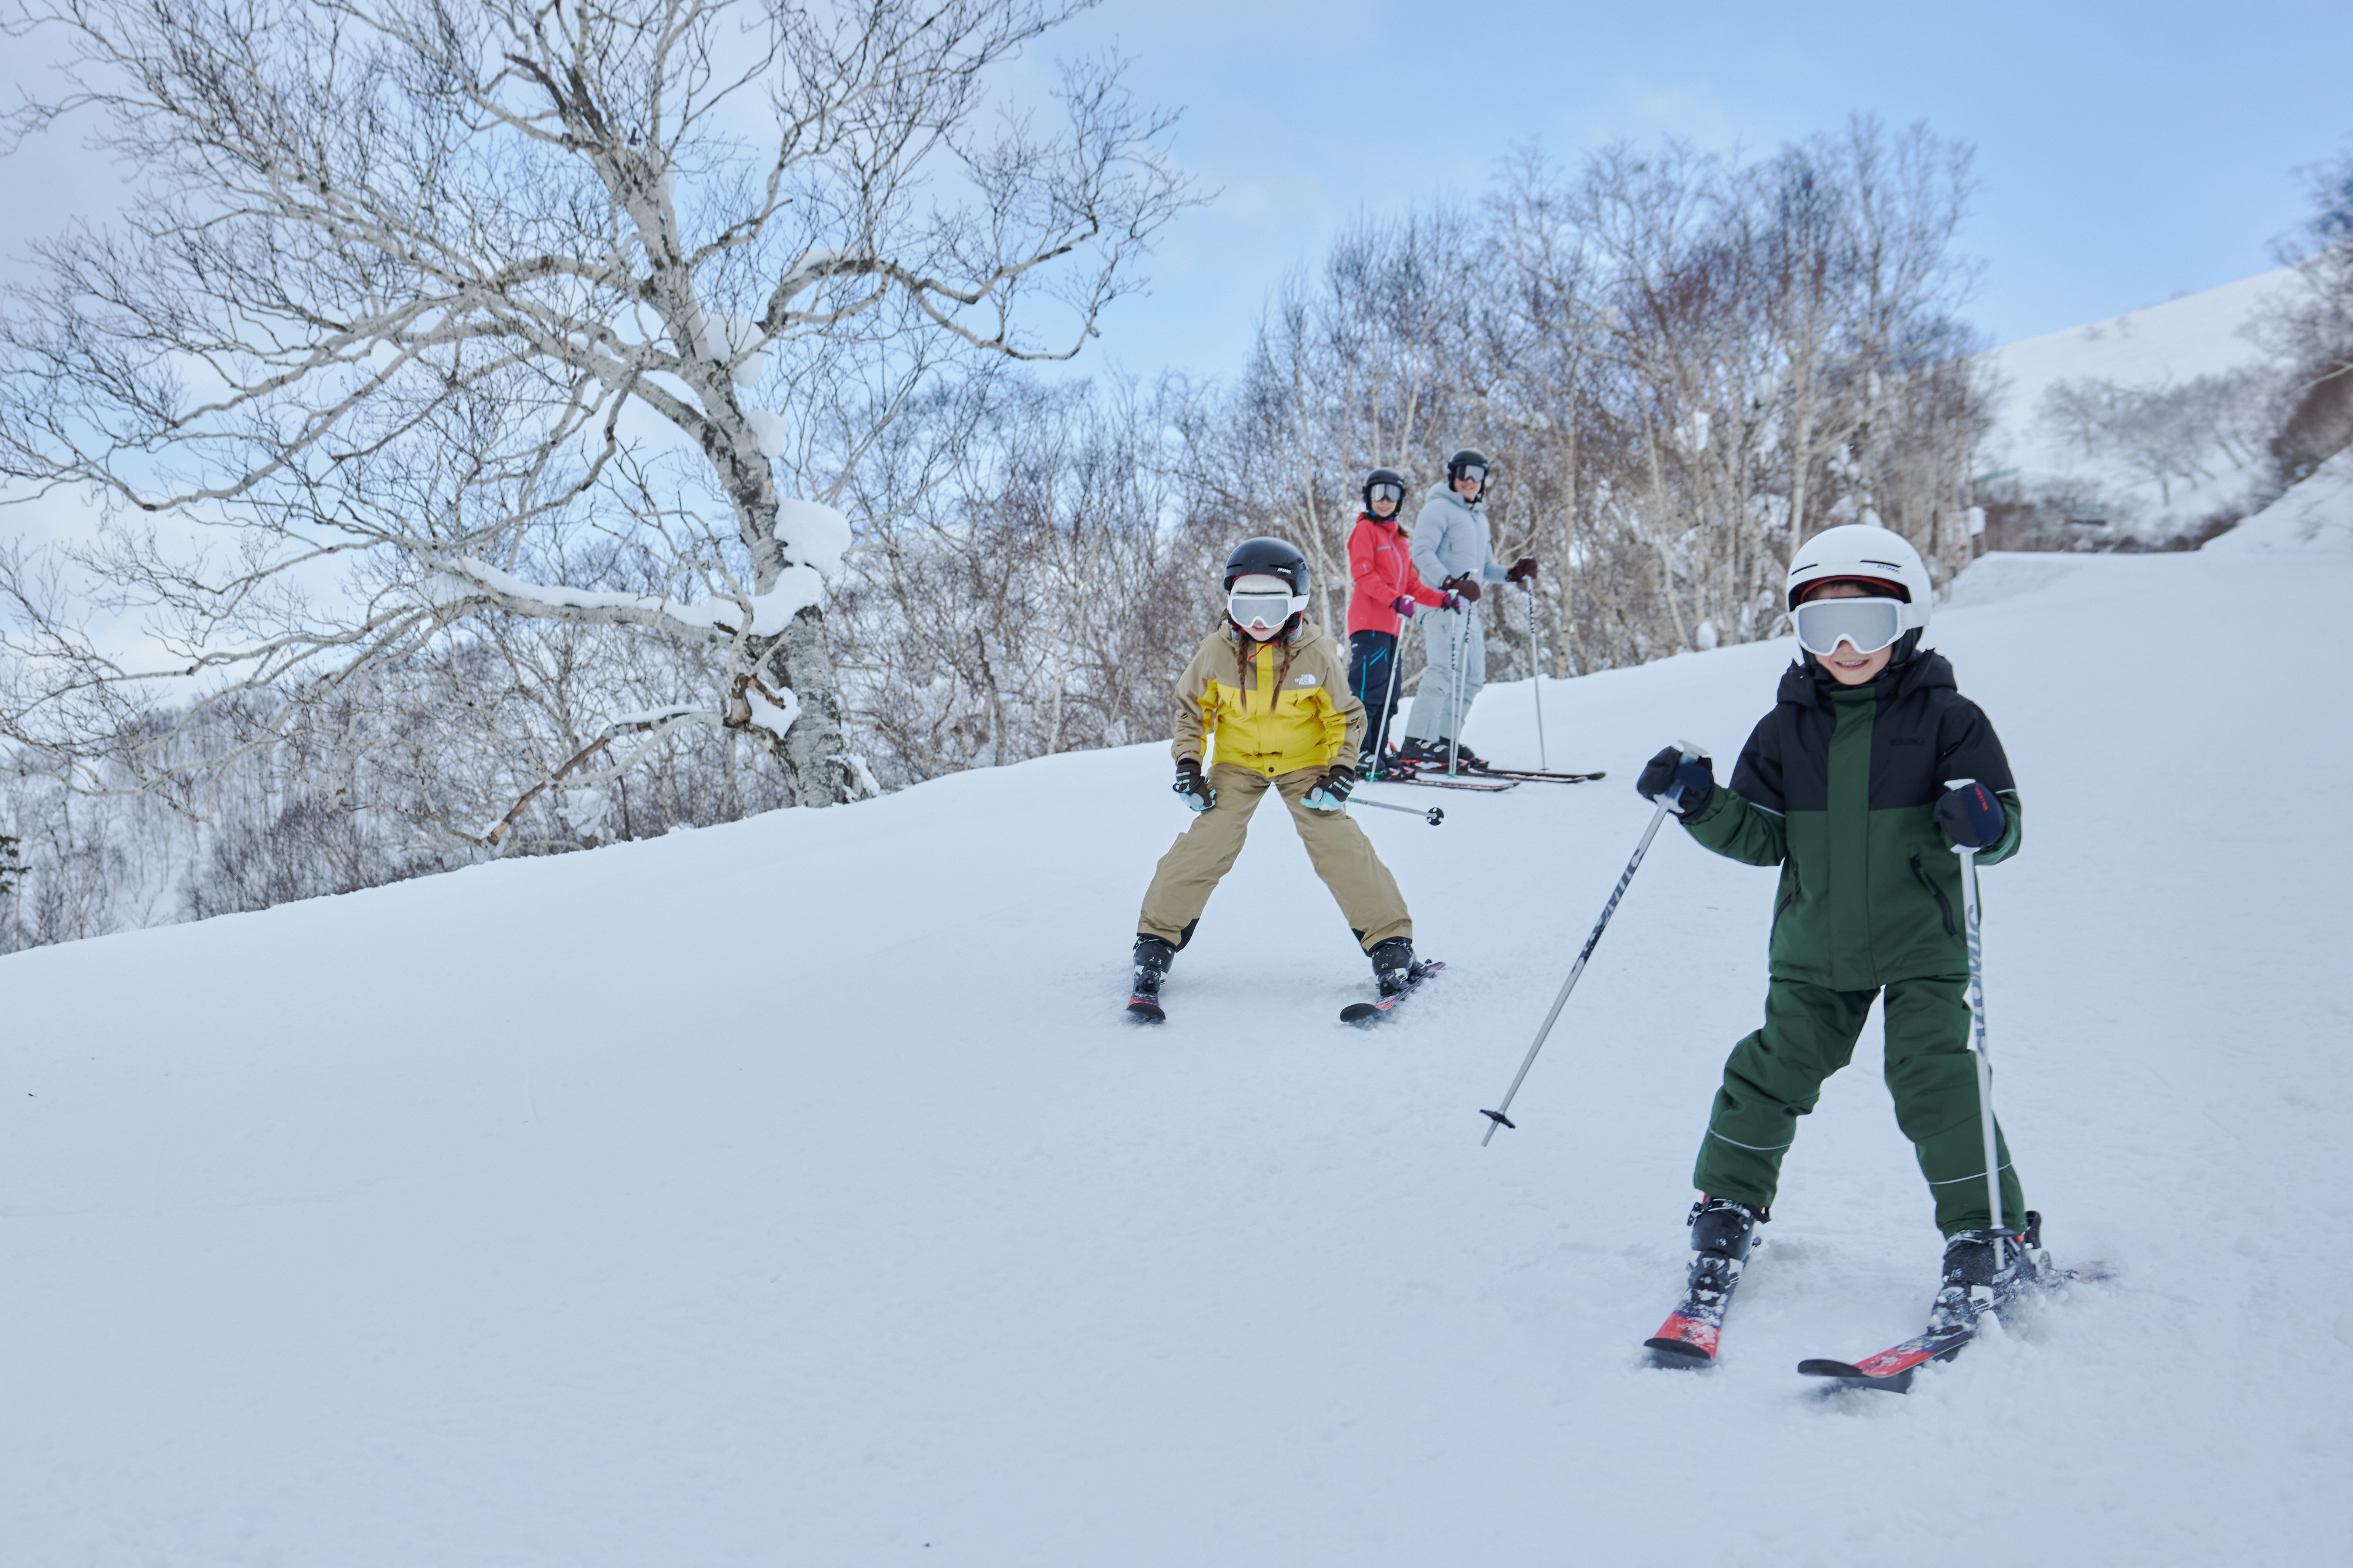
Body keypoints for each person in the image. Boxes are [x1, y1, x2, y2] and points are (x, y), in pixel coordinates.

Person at [1636, 522, 2032, 1366]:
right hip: (1815, 945)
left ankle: (1986, 1234)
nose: (1848, 647)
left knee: (1932, 1076)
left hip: (1922, 938)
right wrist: (1700, 803)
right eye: (1824, 629)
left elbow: (2002, 829)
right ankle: (1728, 1208)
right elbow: (1761, 837)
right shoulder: (1786, 728)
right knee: (1769, 1070)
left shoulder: (1950, 718)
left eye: (1870, 625)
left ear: (1909, 622)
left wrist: (1983, 819)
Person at [1128, 537, 1431, 1017]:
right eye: (1245, 604)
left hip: (1304, 764)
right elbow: (1191, 712)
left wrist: (1340, 770)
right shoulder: (1215, 653)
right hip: (1238, 764)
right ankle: (1155, 942)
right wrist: (1189, 764)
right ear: (1229, 601)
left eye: (1271, 604)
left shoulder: (1315, 654)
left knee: (1336, 841)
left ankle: (1391, 947)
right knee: (1210, 838)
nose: (1259, 620)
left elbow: (1346, 718)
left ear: (1296, 601)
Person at [1399, 448, 1538, 769]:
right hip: (1441, 603)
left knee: (1474, 677)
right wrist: (1449, 582)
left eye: (1478, 474)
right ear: (1453, 476)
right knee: (1443, 672)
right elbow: (1421, 552)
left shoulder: (1479, 518)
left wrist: (1513, 574)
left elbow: (1485, 567)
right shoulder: (1437, 509)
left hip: (1468, 609)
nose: (1471, 481)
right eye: (1465, 473)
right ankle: (1417, 740)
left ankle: (1445, 740)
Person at [1345, 467, 1458, 777]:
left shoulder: (1399, 540)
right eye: (1378, 493)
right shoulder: (1364, 531)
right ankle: (1359, 753)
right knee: (1369, 692)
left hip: (1392, 629)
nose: (1384, 500)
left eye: (1392, 494)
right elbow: (1364, 575)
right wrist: (1394, 600)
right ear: (1368, 496)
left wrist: (1443, 599)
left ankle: (1378, 750)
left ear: (1400, 500)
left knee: (1390, 696)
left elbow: (1413, 586)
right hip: (1369, 625)